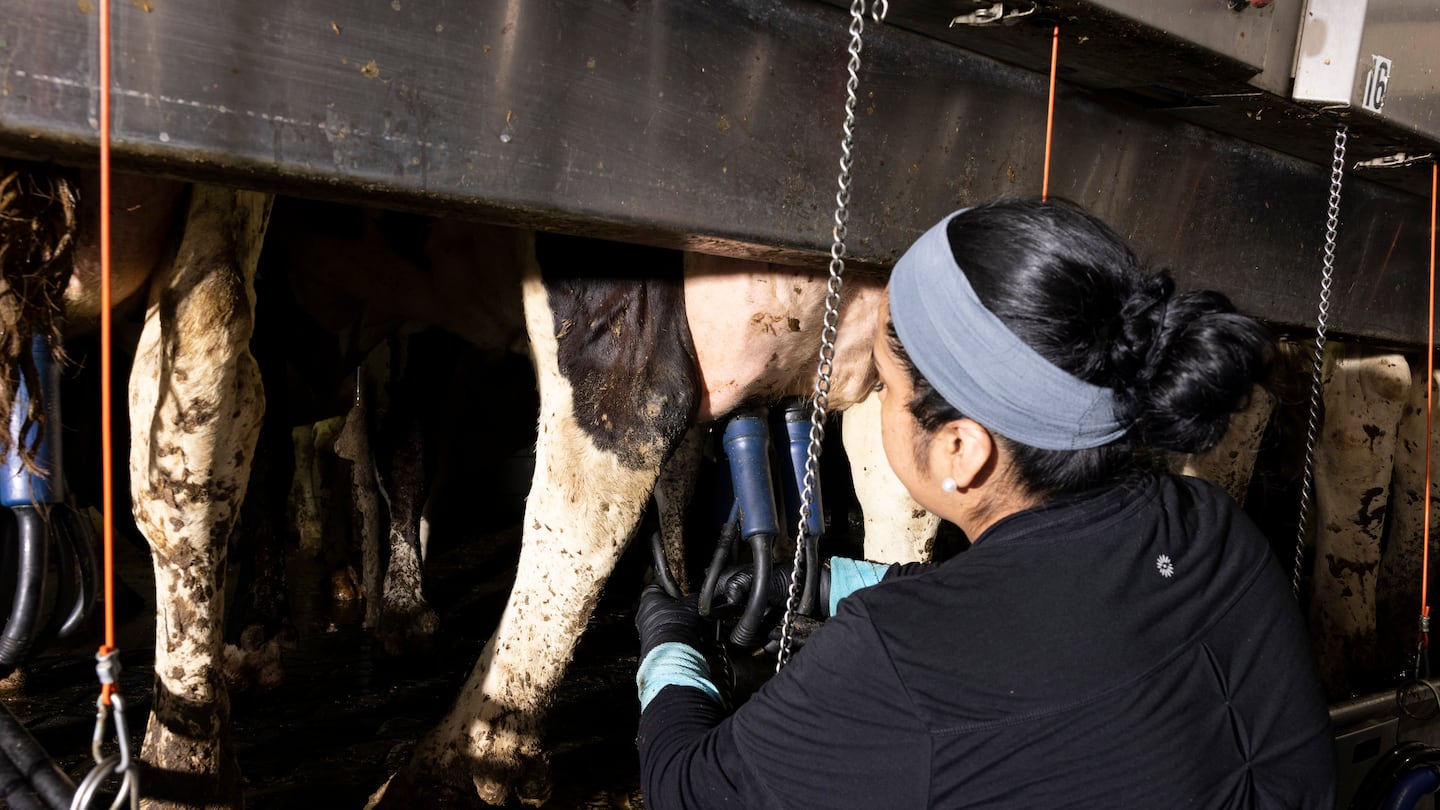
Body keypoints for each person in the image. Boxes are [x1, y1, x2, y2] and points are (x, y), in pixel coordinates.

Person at [633, 198, 1336, 809]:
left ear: (962, 450)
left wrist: (670, 651)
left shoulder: (893, 660)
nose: (879, 403)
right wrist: (822, 581)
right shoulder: (1207, 524)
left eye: (885, 386)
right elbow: (1028, 609)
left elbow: (689, 790)